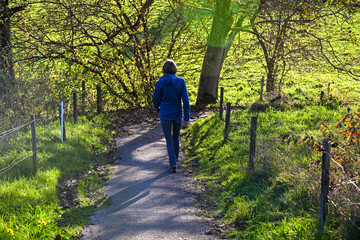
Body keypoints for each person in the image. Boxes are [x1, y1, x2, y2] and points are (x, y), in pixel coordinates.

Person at [153, 59, 190, 173]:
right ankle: (175, 160)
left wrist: (158, 109)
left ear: (164, 69)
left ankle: (172, 163)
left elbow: (155, 100)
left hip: (165, 113)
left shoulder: (159, 83)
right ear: (175, 68)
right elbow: (186, 101)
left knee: (168, 139)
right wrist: (187, 117)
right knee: (176, 137)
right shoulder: (181, 82)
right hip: (177, 113)